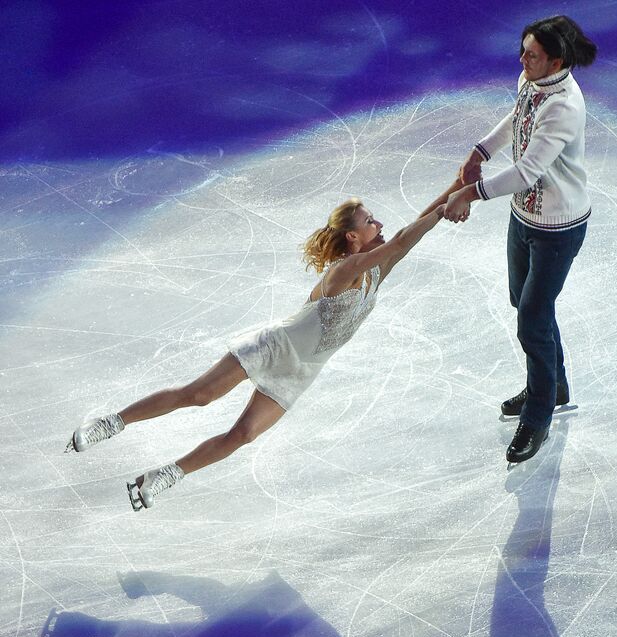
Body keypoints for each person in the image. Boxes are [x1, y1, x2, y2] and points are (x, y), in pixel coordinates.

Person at [66, 177, 467, 509]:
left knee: (243, 435)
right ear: (352, 236)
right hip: (275, 346)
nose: (377, 223)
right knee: (201, 394)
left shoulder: (378, 272)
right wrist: (450, 203)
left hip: (301, 371)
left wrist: (460, 186)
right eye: (369, 220)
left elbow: (408, 231)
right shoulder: (344, 270)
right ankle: (110, 422)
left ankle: (165, 474)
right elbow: (400, 239)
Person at [443, 15, 597, 465]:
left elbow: (529, 170)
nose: (522, 59)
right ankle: (555, 385)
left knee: (532, 317)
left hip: (558, 228)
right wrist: (479, 152)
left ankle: (540, 413)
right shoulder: (532, 81)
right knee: (524, 303)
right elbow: (517, 117)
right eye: (523, 51)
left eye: (532, 54)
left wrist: (468, 193)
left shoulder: (564, 106)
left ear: (557, 60)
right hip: (524, 217)